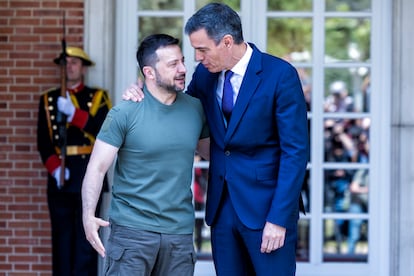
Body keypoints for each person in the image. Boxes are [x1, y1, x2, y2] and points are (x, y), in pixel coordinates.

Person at [123, 3, 309, 275]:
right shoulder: (205, 75)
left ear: (227, 42)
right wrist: (141, 94)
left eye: (202, 49)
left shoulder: (280, 75)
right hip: (222, 210)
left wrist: (279, 219)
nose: (197, 58)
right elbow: (178, 107)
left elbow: (295, 152)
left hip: (267, 210)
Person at [81, 34, 209, 276]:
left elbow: (214, 152)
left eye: (182, 61)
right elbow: (96, 168)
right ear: (149, 73)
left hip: (179, 235)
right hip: (132, 234)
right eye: (173, 64)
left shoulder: (195, 109)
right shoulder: (124, 112)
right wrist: (88, 216)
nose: (183, 69)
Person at [37, 47, 112, 276]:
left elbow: (104, 130)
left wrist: (74, 114)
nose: (69, 66)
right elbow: (43, 140)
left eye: (74, 62)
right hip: (60, 177)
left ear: (83, 67)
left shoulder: (98, 97)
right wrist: (54, 167)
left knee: (85, 240)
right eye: (65, 62)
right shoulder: (49, 99)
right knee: (61, 240)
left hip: (87, 172)